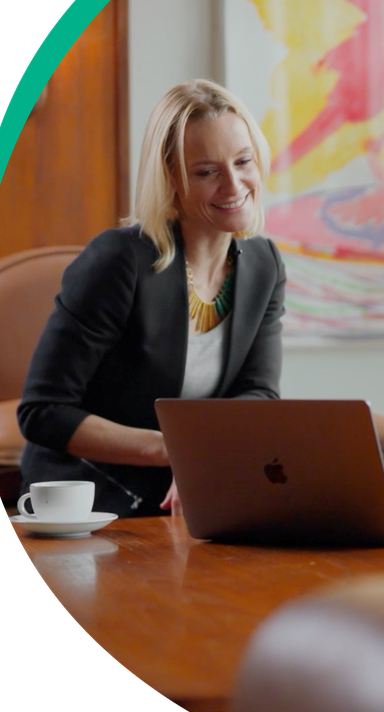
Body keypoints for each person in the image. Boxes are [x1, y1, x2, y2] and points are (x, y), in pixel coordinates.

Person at [18, 80, 286, 517]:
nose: (234, 184)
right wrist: (178, 450)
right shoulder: (118, 261)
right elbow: (42, 411)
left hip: (195, 489)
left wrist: (206, 454)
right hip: (91, 497)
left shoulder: (264, 264)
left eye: (243, 161)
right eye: (206, 172)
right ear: (171, 180)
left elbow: (259, 392)